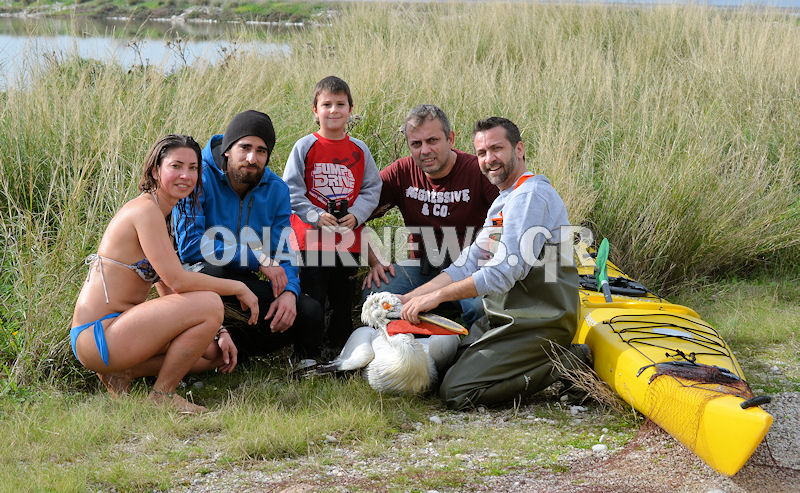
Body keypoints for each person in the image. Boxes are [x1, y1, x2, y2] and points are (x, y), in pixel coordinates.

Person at [399, 117, 580, 410]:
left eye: (497, 149)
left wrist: (436, 298)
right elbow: (469, 263)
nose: (489, 159)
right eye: (482, 153)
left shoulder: (530, 196)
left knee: (456, 392)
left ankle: (568, 360)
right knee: (439, 374)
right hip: (509, 317)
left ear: (519, 149)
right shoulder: (504, 200)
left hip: (540, 322)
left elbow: (502, 274)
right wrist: (408, 298)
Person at [71, 134, 260, 414]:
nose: (186, 175)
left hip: (119, 332)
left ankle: (123, 373)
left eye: (193, 168)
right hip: (99, 335)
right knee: (210, 303)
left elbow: (166, 287)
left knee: (210, 353)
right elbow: (178, 280)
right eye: (176, 166)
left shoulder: (163, 216)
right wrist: (238, 287)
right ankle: (163, 395)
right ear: (155, 170)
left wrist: (219, 331)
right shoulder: (145, 211)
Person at [173, 110, 324, 370]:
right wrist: (257, 258)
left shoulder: (276, 189)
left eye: (261, 151)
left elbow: (284, 249)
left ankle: (302, 363)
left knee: (307, 309)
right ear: (228, 149)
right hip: (201, 282)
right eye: (245, 148)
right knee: (215, 267)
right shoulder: (199, 177)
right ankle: (211, 349)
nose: (252, 158)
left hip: (244, 285)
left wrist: (289, 291)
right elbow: (191, 247)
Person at [361, 104, 499, 329]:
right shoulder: (401, 172)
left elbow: (509, 220)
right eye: (416, 144)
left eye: (432, 141)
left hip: (470, 267)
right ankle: (419, 326)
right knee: (376, 297)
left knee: (480, 309)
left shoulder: (478, 171)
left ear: (450, 139)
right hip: (423, 265)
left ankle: (466, 347)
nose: (425, 150)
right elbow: (357, 214)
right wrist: (376, 260)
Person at [283, 76, 381, 351]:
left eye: (340, 104)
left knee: (343, 295)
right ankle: (308, 350)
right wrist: (314, 215)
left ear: (351, 109)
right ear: (315, 110)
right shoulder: (305, 146)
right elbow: (291, 189)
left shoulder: (359, 150)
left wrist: (358, 215)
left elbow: (372, 188)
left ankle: (341, 348)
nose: (334, 110)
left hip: (347, 238)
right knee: (314, 294)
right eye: (326, 104)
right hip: (311, 239)